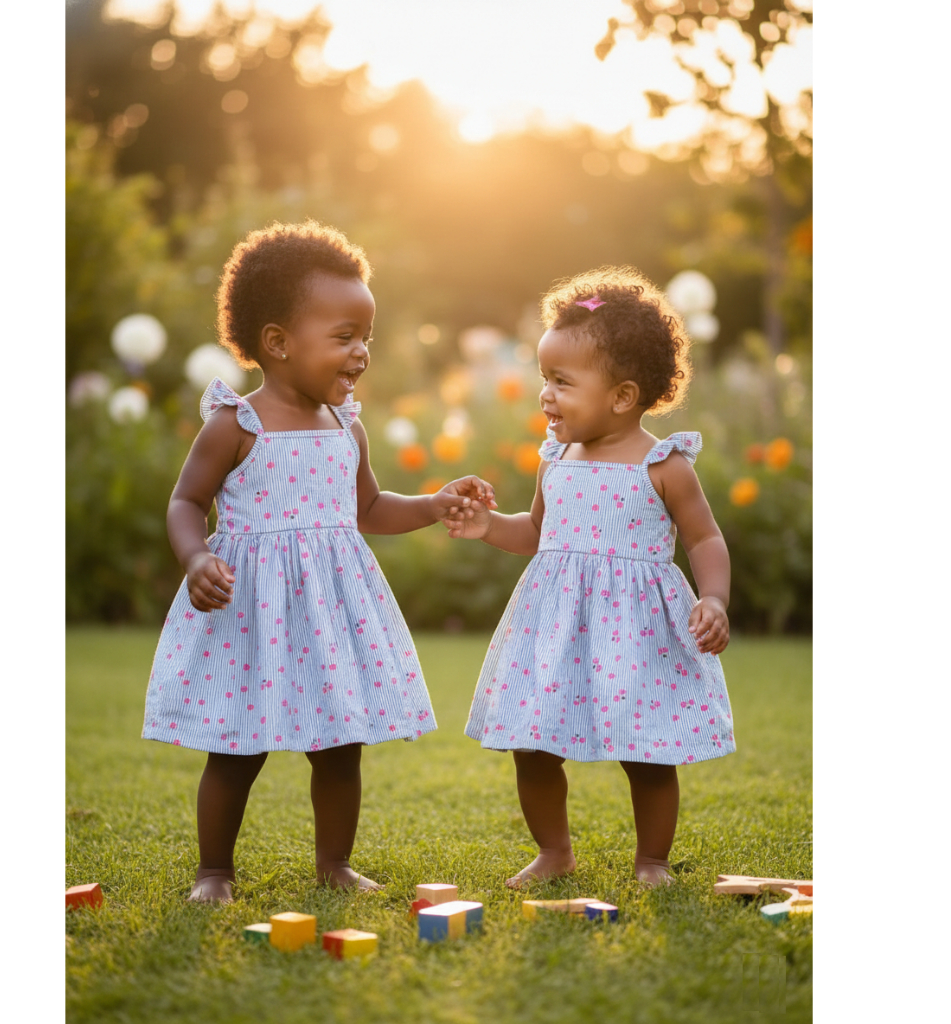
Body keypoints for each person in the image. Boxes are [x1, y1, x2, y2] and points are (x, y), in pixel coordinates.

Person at [143, 220, 492, 902]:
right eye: (344, 337)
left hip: (330, 609)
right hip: (251, 607)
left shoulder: (346, 427)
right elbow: (186, 502)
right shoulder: (235, 425)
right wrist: (194, 559)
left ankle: (333, 864)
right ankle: (214, 870)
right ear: (277, 342)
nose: (361, 352)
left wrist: (432, 503)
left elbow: (366, 510)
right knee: (236, 747)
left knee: (339, 745)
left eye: (366, 337)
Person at [445, 266, 736, 889]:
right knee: (532, 742)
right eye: (543, 379)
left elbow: (704, 537)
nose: (544, 395)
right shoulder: (558, 458)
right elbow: (534, 532)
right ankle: (554, 851)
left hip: (638, 629)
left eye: (561, 382)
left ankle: (651, 859)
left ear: (622, 396)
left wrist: (713, 596)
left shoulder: (664, 465)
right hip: (557, 624)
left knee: (647, 750)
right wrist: (487, 527)